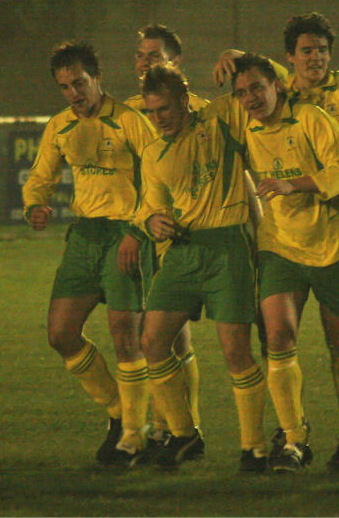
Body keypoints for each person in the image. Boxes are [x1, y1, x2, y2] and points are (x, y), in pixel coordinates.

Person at [214, 12, 339, 471]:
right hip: (280, 244)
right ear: (290, 64)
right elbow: (232, 88)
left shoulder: (323, 109)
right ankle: (294, 440)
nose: (251, 97)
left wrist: (294, 184)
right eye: (305, 51)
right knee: (278, 336)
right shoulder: (248, 116)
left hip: (337, 235)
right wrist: (230, 56)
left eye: (320, 50)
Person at [22, 41, 158, 466]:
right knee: (60, 334)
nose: (74, 94)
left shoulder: (131, 121)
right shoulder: (60, 126)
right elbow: (41, 174)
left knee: (125, 337)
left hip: (127, 233)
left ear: (97, 78)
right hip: (85, 238)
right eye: (64, 87)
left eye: (79, 83)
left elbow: (159, 178)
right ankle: (123, 414)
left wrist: (139, 230)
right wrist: (35, 204)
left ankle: (134, 436)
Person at [135, 65, 268, 472]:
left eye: (164, 109)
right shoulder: (153, 153)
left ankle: (254, 449)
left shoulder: (222, 119)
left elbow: (267, 78)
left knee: (236, 352)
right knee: (153, 343)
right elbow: (149, 206)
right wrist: (149, 222)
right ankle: (184, 434)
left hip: (227, 245)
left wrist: (239, 57)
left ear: (185, 102)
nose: (158, 118)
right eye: (151, 111)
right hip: (182, 251)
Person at [124, 23, 206, 452]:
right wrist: (136, 226)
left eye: (153, 56)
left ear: (176, 63)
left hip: (191, 237)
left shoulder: (202, 112)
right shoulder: (127, 114)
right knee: (156, 336)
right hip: (147, 232)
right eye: (139, 56)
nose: (143, 63)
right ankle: (168, 428)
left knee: (168, 335)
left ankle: (172, 429)